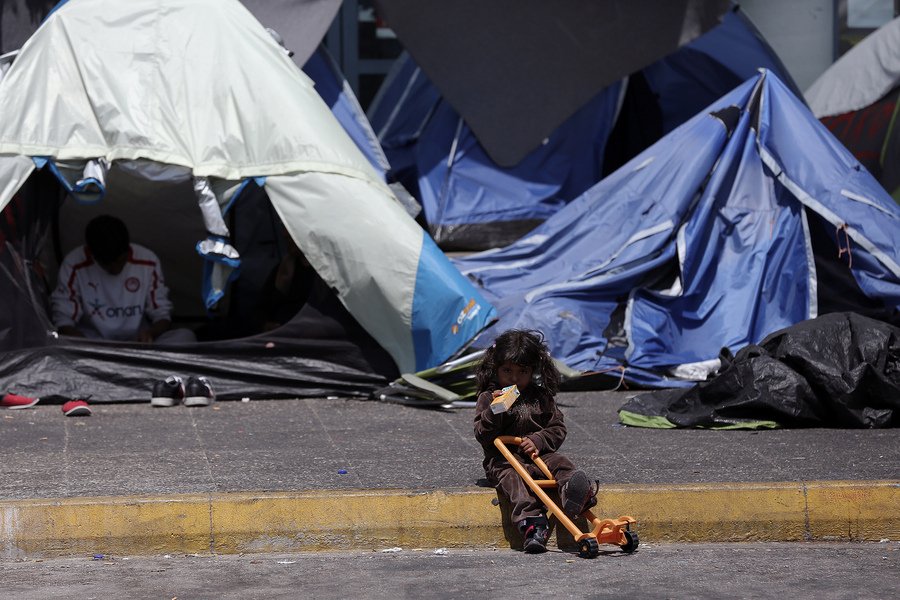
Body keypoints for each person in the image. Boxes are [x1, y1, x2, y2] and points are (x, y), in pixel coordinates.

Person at [473, 329, 598, 554]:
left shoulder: (540, 397)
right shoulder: (488, 397)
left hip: (537, 455)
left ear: (533, 371)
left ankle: (575, 493)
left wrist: (539, 440)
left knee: (560, 461)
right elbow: (482, 434)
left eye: (522, 372)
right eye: (507, 371)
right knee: (512, 478)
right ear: (496, 369)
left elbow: (558, 428)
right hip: (502, 459)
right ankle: (531, 522)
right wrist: (495, 410)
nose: (514, 378)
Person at [50, 214, 195, 344]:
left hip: (138, 342)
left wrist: (150, 333)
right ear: (92, 254)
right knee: (55, 342)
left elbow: (162, 312)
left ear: (128, 250)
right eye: (107, 265)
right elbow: (63, 320)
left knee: (185, 337)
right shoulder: (75, 263)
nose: (115, 270)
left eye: (120, 262)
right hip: (95, 343)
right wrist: (91, 347)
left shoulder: (147, 260)